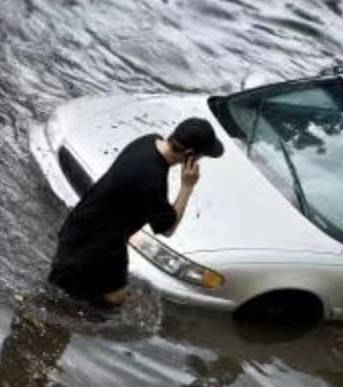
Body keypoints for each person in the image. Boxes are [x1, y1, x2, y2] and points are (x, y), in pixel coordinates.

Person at [48, 118, 224, 307]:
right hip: (94, 248)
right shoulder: (152, 180)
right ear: (191, 154)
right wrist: (187, 187)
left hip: (85, 228)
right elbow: (168, 229)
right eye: (201, 156)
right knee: (71, 302)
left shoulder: (148, 141)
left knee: (111, 297)